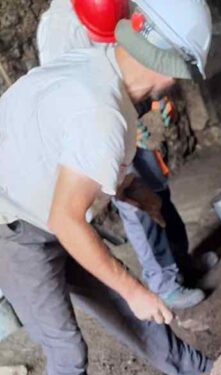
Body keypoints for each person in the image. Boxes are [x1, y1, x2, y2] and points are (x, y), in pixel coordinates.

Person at [0, 0, 213, 375]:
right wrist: (137, 289)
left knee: (121, 303)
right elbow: (68, 218)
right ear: (169, 69)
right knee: (66, 347)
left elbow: (75, 152)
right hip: (13, 226)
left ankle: (199, 372)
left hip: (42, 203)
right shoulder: (102, 111)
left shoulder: (101, 67)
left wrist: (136, 192)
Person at [37, 0, 207, 311]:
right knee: (135, 204)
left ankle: (182, 262)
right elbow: (70, 91)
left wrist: (147, 101)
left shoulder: (112, 3)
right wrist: (114, 121)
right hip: (103, 122)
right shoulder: (60, 25)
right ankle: (164, 283)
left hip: (129, 107)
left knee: (157, 190)